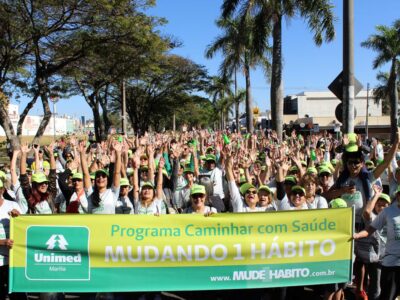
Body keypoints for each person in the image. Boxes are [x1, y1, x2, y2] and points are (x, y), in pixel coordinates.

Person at [354, 185, 400, 300]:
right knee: (382, 293)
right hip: (386, 261)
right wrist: (357, 235)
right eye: (379, 205)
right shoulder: (386, 213)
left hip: (383, 258)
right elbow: (369, 221)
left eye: (384, 204)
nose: (382, 207)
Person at [0, 179, 26, 300]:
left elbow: (24, 228)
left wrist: (18, 217)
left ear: (2, 190)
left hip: (14, 260)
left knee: (18, 295)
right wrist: (2, 242)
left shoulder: (12, 205)